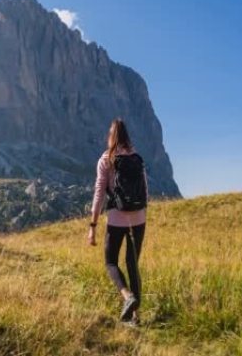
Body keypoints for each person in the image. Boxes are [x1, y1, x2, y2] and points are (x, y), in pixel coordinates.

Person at [88, 118, 148, 327]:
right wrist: (140, 214)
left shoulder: (106, 159)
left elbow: (99, 194)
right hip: (139, 220)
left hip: (116, 219)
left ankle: (127, 296)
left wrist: (93, 227)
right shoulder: (136, 157)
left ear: (111, 136)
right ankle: (135, 318)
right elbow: (145, 190)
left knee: (111, 262)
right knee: (133, 265)